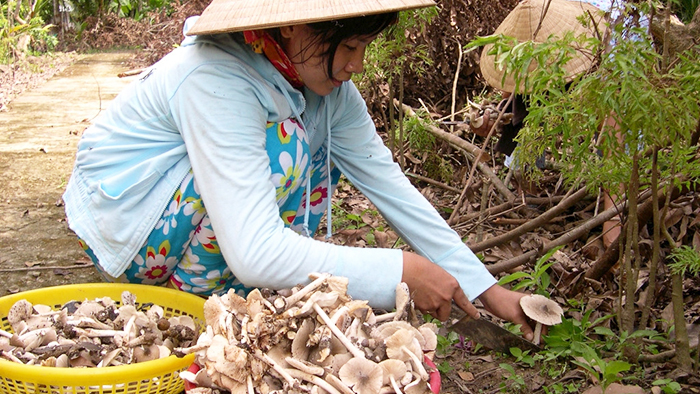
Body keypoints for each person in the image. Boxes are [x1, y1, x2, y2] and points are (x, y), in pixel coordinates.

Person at [63, 0, 534, 338]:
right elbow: (254, 253)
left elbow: (391, 186)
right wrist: (401, 272)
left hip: (193, 221)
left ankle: (232, 302)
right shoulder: (214, 77)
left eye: (364, 45)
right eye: (347, 45)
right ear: (293, 26)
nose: (356, 65)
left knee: (306, 141)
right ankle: (194, 309)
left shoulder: (323, 87)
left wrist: (485, 288)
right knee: (285, 145)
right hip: (131, 227)